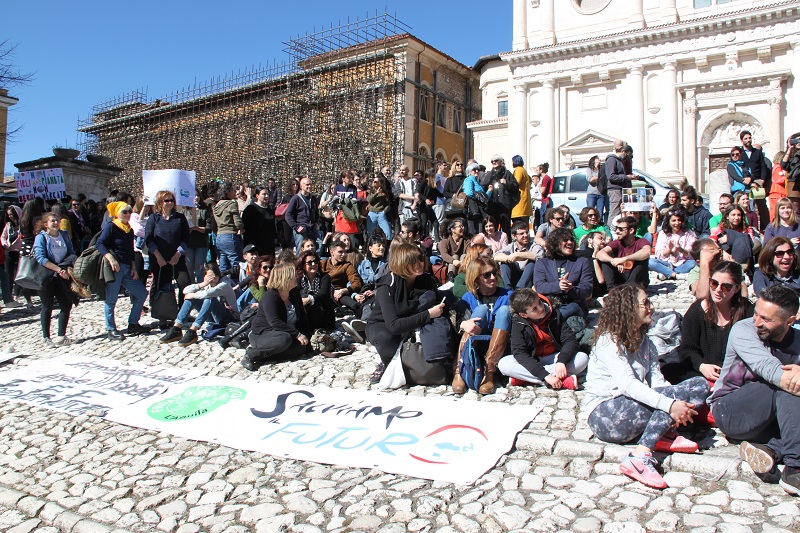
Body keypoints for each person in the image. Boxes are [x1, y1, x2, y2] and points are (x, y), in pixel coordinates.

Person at [583, 284, 710, 489]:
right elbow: (628, 386)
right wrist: (670, 405)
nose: (651, 307)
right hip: (605, 415)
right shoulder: (609, 341)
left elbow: (657, 382)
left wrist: (673, 403)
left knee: (700, 385)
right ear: (628, 308)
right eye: (645, 303)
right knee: (671, 399)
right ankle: (639, 455)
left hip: (631, 408)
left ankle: (661, 432)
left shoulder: (646, 343)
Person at [709, 284, 800, 495]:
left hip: (773, 419)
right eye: (756, 314)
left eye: (766, 319)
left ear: (790, 322)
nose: (757, 322)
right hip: (730, 410)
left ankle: (771, 450)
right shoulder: (744, 330)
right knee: (788, 386)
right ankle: (795, 470)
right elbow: (773, 373)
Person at [365, 242, 445, 383]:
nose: (419, 264)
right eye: (413, 261)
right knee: (386, 338)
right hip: (384, 324)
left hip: (413, 320)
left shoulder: (426, 280)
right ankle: (388, 362)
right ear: (402, 263)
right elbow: (394, 325)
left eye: (421, 259)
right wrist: (428, 314)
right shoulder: (386, 285)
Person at [665, 262, 753, 388]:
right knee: (670, 369)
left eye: (726, 287)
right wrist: (702, 366)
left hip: (736, 374)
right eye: (714, 283)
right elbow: (687, 349)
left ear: (737, 288)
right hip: (704, 373)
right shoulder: (697, 310)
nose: (718, 290)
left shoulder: (748, 313)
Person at [499, 288, 588, 389]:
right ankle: (556, 380)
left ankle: (525, 378)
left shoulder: (554, 314)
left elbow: (570, 341)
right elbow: (520, 353)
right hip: (533, 359)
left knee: (582, 358)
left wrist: (561, 361)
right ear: (524, 315)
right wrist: (546, 375)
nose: (541, 308)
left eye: (540, 303)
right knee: (504, 364)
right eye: (534, 309)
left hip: (554, 357)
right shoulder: (518, 322)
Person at [452, 257, 512, 395]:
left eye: (494, 273)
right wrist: (462, 324)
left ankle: (489, 372)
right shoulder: (469, 297)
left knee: (504, 310)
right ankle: (459, 370)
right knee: (481, 310)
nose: (493, 277)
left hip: (499, 347)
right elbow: (455, 321)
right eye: (486, 275)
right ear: (477, 278)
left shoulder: (508, 296)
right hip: (476, 343)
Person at [240, 263, 311, 371]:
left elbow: (303, 317)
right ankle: (251, 354)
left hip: (286, 333)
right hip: (264, 335)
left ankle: (263, 358)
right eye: (293, 275)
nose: (296, 277)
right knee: (284, 339)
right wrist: (297, 334)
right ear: (284, 278)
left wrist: (308, 337)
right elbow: (274, 322)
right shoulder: (270, 296)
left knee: (300, 348)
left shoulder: (294, 293)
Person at [96, 201, 150, 340]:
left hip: (127, 268)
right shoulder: (111, 227)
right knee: (111, 299)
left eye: (129, 212)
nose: (127, 214)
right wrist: (110, 258)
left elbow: (130, 250)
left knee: (142, 293)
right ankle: (111, 329)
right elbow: (100, 243)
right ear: (117, 213)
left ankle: (133, 323)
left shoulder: (129, 229)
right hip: (115, 268)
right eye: (124, 212)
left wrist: (133, 267)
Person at [160, 262, 238, 346]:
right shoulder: (207, 284)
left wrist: (192, 295)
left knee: (209, 298)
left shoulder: (224, 284)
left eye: (215, 276)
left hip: (229, 318)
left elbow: (207, 294)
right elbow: (185, 290)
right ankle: (176, 328)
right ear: (205, 276)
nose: (213, 279)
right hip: (213, 317)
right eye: (210, 277)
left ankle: (193, 330)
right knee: (191, 299)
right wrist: (203, 284)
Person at [145, 190, 191, 321]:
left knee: (185, 284)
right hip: (159, 259)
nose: (170, 203)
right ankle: (163, 315)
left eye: (172, 200)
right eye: (167, 200)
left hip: (177, 258)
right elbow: (148, 239)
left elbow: (186, 238)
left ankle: (183, 314)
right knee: (162, 286)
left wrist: (178, 254)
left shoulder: (180, 218)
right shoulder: (154, 218)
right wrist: (158, 256)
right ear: (160, 202)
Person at [33, 212, 78, 348]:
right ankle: (46, 337)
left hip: (62, 275)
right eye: (53, 221)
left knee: (66, 304)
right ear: (46, 224)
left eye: (57, 220)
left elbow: (71, 252)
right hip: (47, 276)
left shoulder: (63, 235)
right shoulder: (41, 238)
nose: (56, 223)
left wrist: (68, 267)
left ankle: (61, 335)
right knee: (47, 306)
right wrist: (58, 270)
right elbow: (40, 258)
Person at [533, 226, 593, 318]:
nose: (570, 242)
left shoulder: (582, 261)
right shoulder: (542, 263)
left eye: (571, 240)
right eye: (565, 240)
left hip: (574, 306)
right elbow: (540, 286)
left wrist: (570, 289)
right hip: (550, 305)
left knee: (573, 308)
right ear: (555, 243)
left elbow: (587, 289)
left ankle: (553, 319)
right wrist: (558, 286)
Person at [595, 215, 651, 290]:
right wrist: (613, 260)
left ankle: (628, 289)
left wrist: (624, 259)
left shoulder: (641, 241)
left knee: (642, 260)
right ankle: (612, 290)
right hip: (622, 277)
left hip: (637, 280)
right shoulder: (617, 242)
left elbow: (647, 252)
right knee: (606, 261)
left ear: (631, 230)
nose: (617, 231)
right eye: (616, 228)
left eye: (621, 229)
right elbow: (600, 253)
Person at [648, 209, 697, 281]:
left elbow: (692, 254)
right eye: (673, 221)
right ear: (669, 222)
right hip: (666, 263)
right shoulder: (663, 233)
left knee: (694, 263)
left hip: (682, 263)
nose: (677, 223)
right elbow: (658, 254)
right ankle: (675, 275)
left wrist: (681, 249)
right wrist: (668, 249)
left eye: (679, 220)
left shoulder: (688, 233)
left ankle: (666, 273)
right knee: (650, 262)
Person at [320, 239, 364, 317]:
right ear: (332, 252)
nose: (343, 254)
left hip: (339, 295)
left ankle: (356, 309)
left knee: (343, 297)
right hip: (324, 293)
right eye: (340, 252)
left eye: (344, 252)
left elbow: (356, 283)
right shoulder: (322, 264)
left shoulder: (347, 266)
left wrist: (344, 290)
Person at [294, 250, 335, 332]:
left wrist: (309, 299)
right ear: (303, 265)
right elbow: (295, 293)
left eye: (315, 261)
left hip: (324, 315)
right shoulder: (299, 279)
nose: (313, 264)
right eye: (309, 262)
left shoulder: (325, 277)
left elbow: (323, 294)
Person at [495, 221, 543, 290]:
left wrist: (518, 255)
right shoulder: (511, 246)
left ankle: (519, 289)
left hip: (529, 280)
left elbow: (540, 256)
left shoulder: (534, 246)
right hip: (514, 277)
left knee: (532, 262)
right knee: (504, 262)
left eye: (527, 232)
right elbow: (496, 255)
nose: (525, 235)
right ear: (514, 236)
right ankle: (507, 289)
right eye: (521, 234)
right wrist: (508, 258)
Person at [213, 182, 244, 276]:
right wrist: (241, 228)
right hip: (230, 236)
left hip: (219, 237)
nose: (235, 191)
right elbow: (238, 222)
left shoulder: (217, 205)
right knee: (237, 264)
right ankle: (238, 287)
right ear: (227, 192)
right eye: (233, 189)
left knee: (223, 265)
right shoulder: (231, 204)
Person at [485, 155, 519, 238]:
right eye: (492, 161)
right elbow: (483, 186)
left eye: (496, 160)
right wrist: (489, 189)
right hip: (492, 206)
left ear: (501, 162)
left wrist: (506, 182)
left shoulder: (507, 173)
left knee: (506, 228)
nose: (494, 162)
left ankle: (507, 246)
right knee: (494, 228)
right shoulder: (489, 174)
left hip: (505, 206)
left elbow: (516, 186)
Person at [285, 177, 320, 254]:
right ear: (301, 186)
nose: (310, 186)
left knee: (319, 248)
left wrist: (317, 222)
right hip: (301, 229)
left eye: (310, 184)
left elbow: (316, 212)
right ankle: (299, 265)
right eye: (307, 185)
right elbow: (288, 215)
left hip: (312, 228)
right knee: (301, 252)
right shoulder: (296, 199)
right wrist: (296, 227)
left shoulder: (313, 198)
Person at [242, 185, 277, 257]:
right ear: (257, 196)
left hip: (268, 244)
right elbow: (245, 225)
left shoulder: (269, 209)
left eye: (267, 194)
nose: (266, 196)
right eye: (264, 194)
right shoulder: (251, 209)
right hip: (255, 243)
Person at [605, 141, 632, 231]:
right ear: (623, 151)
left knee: (622, 211)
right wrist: (626, 177)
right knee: (615, 211)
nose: (627, 156)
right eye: (627, 154)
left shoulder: (621, 161)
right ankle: (609, 232)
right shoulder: (611, 159)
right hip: (615, 189)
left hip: (622, 189)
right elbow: (611, 176)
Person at [1, 205, 24, 308]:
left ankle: (17, 294)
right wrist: (4, 243)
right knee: (8, 275)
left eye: (11, 214)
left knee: (18, 274)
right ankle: (9, 297)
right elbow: (3, 236)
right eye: (8, 215)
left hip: (19, 252)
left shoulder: (22, 225)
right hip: (9, 251)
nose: (10, 216)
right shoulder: (8, 225)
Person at [463, 162, 489, 235]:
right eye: (474, 170)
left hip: (479, 208)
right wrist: (479, 197)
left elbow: (484, 197)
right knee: (474, 230)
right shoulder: (469, 179)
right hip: (473, 208)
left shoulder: (476, 181)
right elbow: (469, 193)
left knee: (480, 229)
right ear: (469, 171)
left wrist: (489, 191)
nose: (477, 171)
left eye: (478, 169)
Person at [366, 174, 393, 240]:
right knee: (370, 233)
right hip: (372, 213)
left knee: (387, 233)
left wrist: (384, 211)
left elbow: (388, 204)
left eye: (375, 182)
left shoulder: (384, 192)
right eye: (373, 181)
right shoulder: (370, 191)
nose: (373, 183)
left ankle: (387, 246)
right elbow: (369, 200)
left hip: (381, 213)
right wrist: (376, 193)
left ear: (380, 183)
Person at [510, 155, 532, 226]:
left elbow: (515, 183)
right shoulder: (523, 170)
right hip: (525, 204)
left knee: (519, 226)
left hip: (520, 204)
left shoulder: (519, 170)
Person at [586, 155, 605, 222]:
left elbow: (604, 178)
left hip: (601, 193)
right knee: (590, 211)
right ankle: (590, 226)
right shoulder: (589, 169)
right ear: (593, 160)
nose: (599, 160)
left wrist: (595, 177)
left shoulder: (602, 169)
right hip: (591, 193)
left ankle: (599, 226)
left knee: (600, 212)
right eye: (598, 159)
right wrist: (600, 178)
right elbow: (590, 179)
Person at [769, 151, 788, 219]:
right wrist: (787, 177)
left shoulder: (776, 167)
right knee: (775, 212)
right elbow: (778, 179)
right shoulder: (778, 167)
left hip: (778, 193)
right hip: (777, 193)